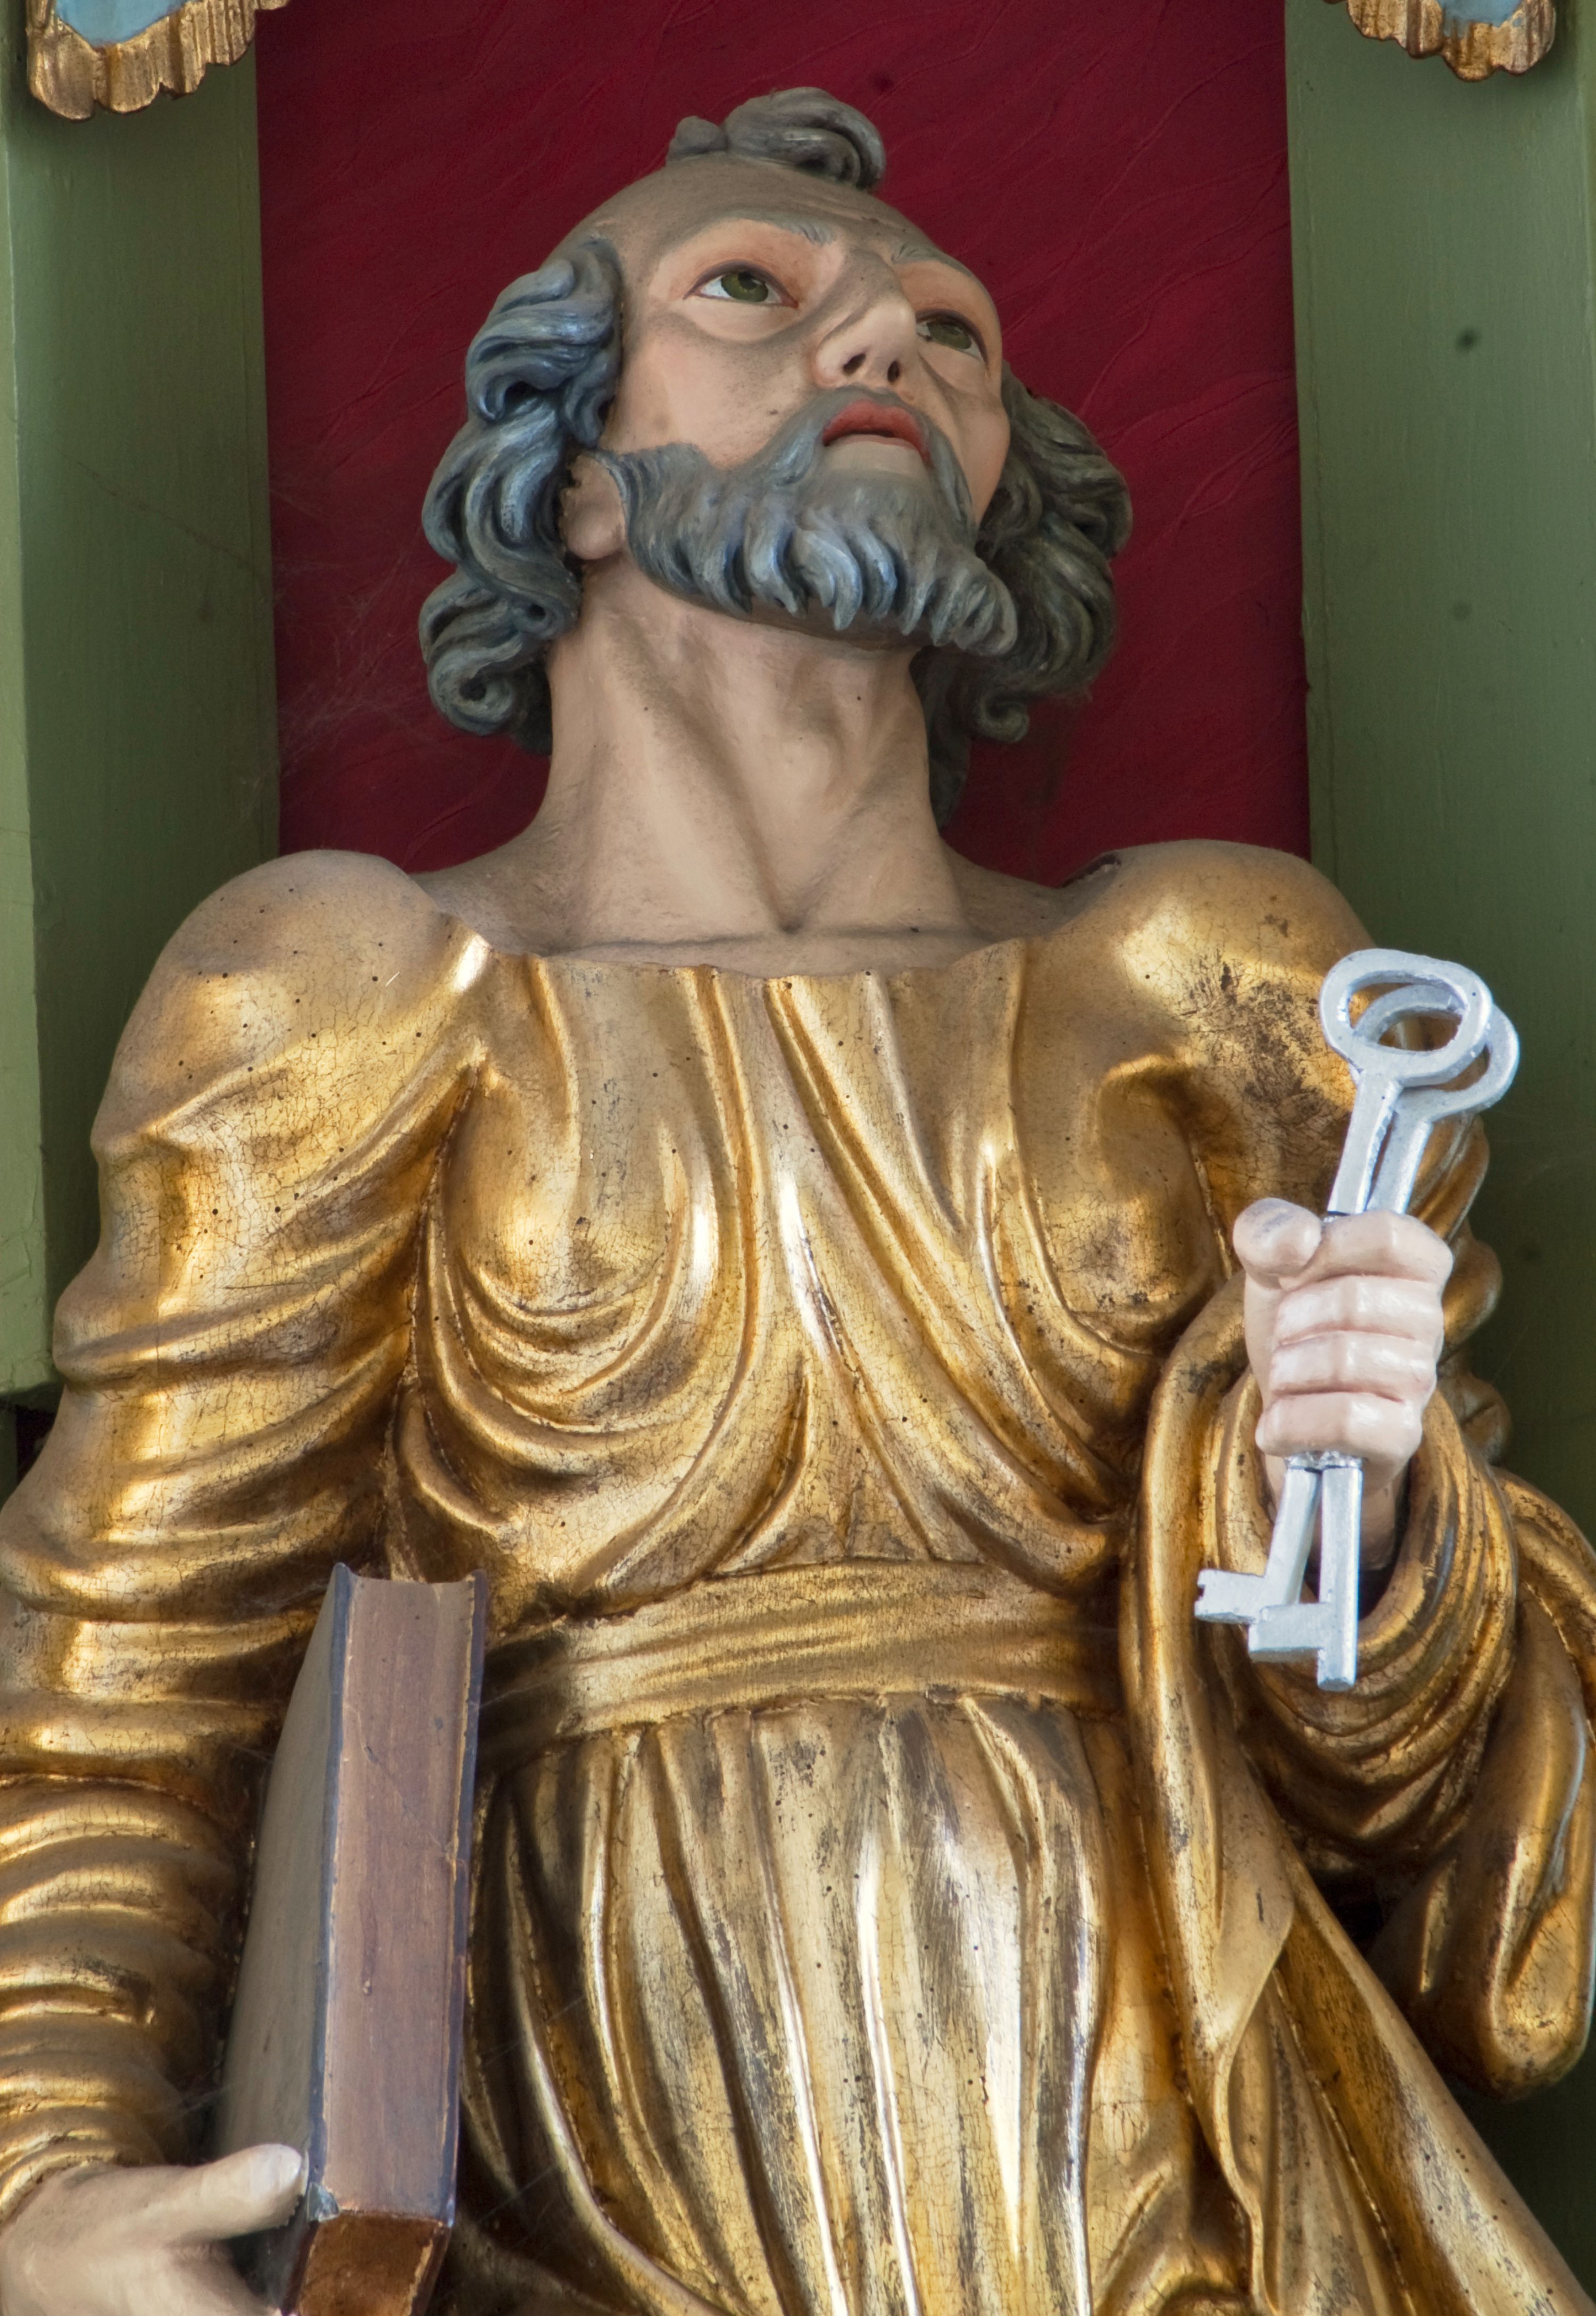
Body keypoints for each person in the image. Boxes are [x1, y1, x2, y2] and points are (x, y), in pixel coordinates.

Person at [0, 87, 1592, 2316]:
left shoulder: (1206, 983)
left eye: (956, 334)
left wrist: (1383, 1519)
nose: (888, 347)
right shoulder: (354, 994)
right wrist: (47, 2177)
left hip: (1194, 2186)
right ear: (566, 463)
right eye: (753, 291)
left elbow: (1437, 1809)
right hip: (596, 2196)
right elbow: (133, 1680)